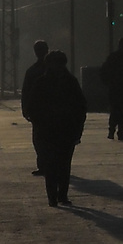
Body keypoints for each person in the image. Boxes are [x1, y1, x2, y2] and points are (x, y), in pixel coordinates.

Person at [22, 49, 86, 207]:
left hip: (55, 130)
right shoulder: (69, 82)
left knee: (57, 164)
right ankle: (58, 196)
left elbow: (80, 107)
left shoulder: (43, 82)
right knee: (59, 164)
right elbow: (81, 107)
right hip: (59, 130)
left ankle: (57, 196)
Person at [21, 39, 50, 175]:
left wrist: (25, 109)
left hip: (38, 112)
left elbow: (26, 92)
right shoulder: (55, 70)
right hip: (52, 111)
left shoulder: (32, 71)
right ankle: (51, 164)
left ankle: (43, 165)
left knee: (39, 140)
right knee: (51, 139)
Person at [99, 37, 123, 140]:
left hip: (114, 88)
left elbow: (103, 71)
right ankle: (121, 131)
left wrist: (107, 82)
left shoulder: (112, 57)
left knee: (115, 110)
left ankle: (112, 131)